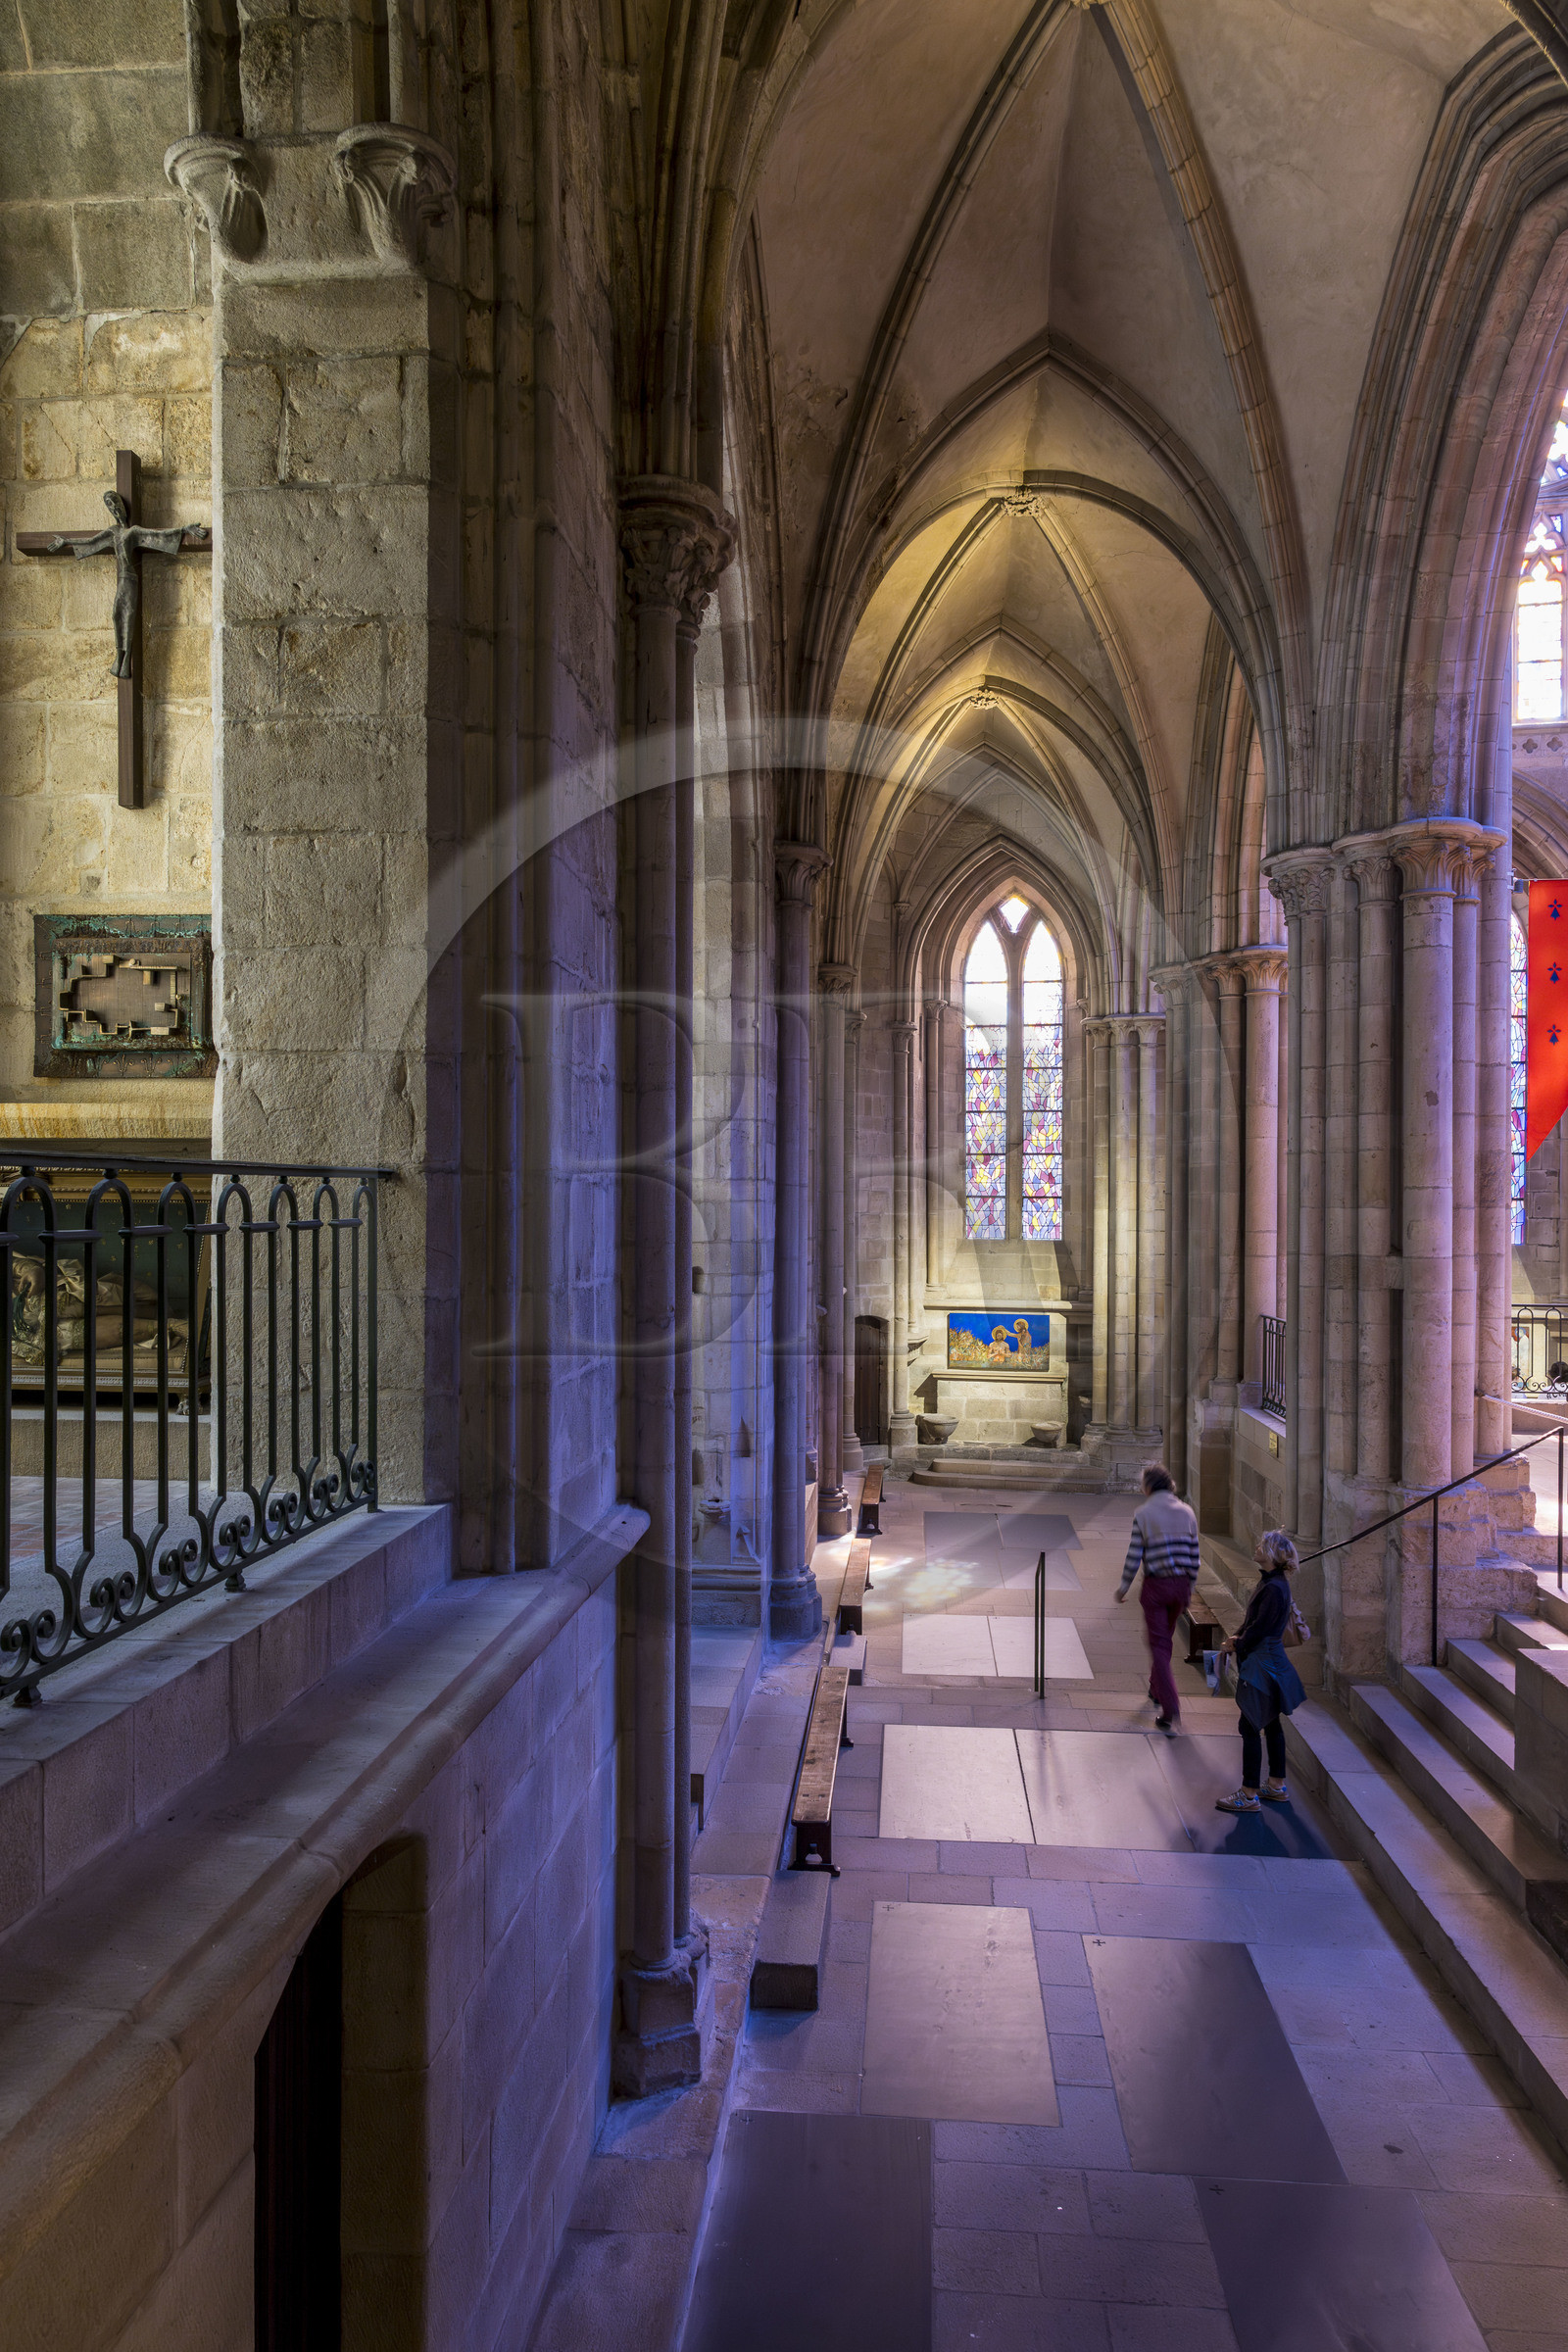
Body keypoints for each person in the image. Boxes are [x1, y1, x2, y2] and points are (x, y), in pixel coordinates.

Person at [1214, 1530, 1306, 1813]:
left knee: (1250, 1725)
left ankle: (1249, 1793)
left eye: (1261, 1546)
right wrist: (1239, 1636)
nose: (1256, 1547)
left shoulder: (1274, 1588)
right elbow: (1253, 1621)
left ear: (1273, 1555)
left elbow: (1261, 1628)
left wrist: (1237, 1643)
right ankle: (1276, 1786)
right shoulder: (1272, 1582)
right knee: (1271, 1723)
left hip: (1263, 1665)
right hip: (1268, 1661)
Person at [1115, 1462, 1200, 1737]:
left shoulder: (1144, 1513)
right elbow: (1194, 1555)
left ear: (1149, 1486)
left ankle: (1170, 1708)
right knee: (1166, 1637)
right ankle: (1155, 1687)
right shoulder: (1187, 1512)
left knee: (1159, 1646)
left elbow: (1134, 1556)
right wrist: (1189, 1588)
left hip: (1156, 1587)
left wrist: (1123, 1587)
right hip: (1180, 1588)